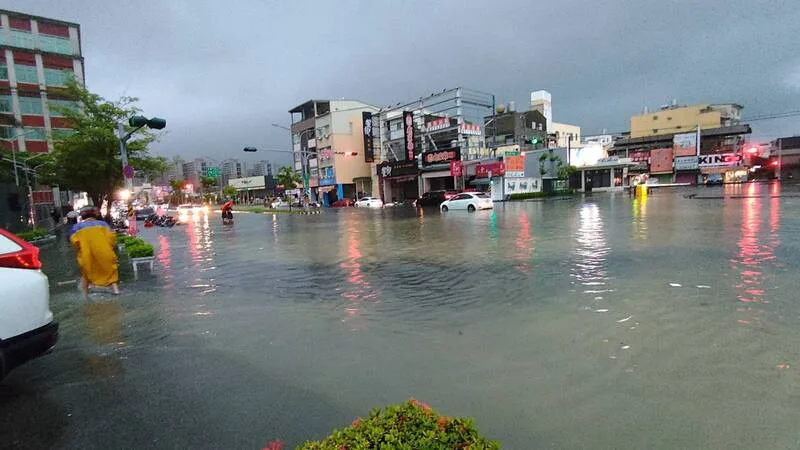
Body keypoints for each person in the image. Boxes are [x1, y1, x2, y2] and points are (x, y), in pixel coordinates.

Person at [70, 206, 120, 299]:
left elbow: (75, 243)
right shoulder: (103, 224)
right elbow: (112, 239)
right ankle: (116, 292)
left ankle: (85, 296)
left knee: (86, 274)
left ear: (82, 216)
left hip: (87, 255)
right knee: (111, 274)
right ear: (94, 214)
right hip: (105, 253)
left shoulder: (76, 227)